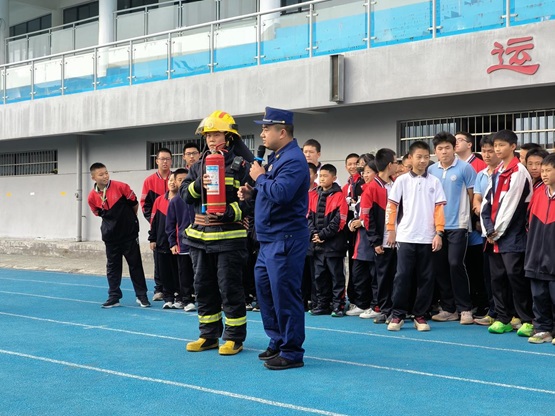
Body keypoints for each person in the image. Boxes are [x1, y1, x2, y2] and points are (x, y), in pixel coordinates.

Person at [239, 106, 310, 370]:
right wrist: (253, 192)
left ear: (282, 131)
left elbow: (281, 193)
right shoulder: (278, 157)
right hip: (269, 239)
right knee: (266, 292)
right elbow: (271, 191)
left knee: (285, 294)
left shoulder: (293, 159)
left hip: (286, 237)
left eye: (266, 128)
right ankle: (277, 340)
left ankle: (292, 351)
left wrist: (260, 178)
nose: (262, 133)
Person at [180, 110, 250, 356]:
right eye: (208, 135)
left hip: (229, 239)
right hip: (200, 238)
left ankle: (233, 338)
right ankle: (208, 335)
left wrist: (230, 213)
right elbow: (184, 195)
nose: (211, 139)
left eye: (217, 133)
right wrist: (199, 183)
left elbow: (252, 201)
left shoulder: (242, 166)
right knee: (203, 287)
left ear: (229, 137)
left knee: (229, 288)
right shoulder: (198, 165)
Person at [385, 141, 446, 332]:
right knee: (402, 276)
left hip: (427, 238)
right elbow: (392, 206)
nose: (422, 161)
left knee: (426, 278)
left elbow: (439, 209)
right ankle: (398, 315)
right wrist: (391, 230)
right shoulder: (401, 181)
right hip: (405, 236)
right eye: (419, 157)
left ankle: (420, 315)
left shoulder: (434, 182)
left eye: (426, 157)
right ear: (410, 158)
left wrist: (439, 233)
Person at [480, 129, 534, 337]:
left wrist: (496, 231)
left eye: (502, 145)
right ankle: (503, 318)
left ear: (513, 147)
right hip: (494, 235)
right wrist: (487, 230)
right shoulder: (497, 170)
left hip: (513, 235)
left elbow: (511, 206)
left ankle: (526, 319)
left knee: (515, 276)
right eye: (495, 146)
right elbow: (487, 201)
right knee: (497, 277)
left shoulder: (519, 172)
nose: (497, 149)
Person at [87, 163, 150, 309]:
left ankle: (142, 296)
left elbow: (134, 204)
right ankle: (114, 296)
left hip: (129, 234)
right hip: (110, 236)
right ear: (93, 177)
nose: (105, 176)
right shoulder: (92, 196)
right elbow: (98, 213)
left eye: (106, 173)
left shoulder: (121, 187)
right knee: (112, 266)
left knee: (135, 265)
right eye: (101, 174)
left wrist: (129, 221)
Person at [429, 132, 476, 325]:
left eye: (447, 147)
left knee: (456, 263)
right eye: (440, 148)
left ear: (454, 148)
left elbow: (473, 195)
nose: (444, 151)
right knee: (439, 266)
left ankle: (465, 308)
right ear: (435, 151)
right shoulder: (431, 170)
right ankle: (448, 308)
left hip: (458, 224)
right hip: (436, 227)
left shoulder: (466, 168)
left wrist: (466, 218)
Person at [360, 148, 398, 324]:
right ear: (389, 165)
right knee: (383, 276)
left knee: (399, 275)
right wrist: (375, 241)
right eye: (396, 161)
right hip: (382, 242)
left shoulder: (397, 183)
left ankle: (397, 309)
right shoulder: (371, 189)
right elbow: (367, 218)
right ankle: (385, 309)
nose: (398, 164)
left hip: (399, 239)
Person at [308, 164, 349, 317]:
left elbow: (340, 221)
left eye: (326, 175)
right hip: (317, 245)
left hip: (334, 245)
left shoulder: (339, 196)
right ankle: (322, 304)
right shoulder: (313, 195)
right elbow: (308, 218)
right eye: (321, 176)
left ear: (334, 177)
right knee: (319, 276)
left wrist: (323, 235)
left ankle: (338, 305)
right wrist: (314, 234)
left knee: (336, 276)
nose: (322, 178)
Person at [525, 153, 555, 344]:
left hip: (553, 258)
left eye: (548, 170)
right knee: (539, 295)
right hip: (536, 255)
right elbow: (529, 223)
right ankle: (543, 329)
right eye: (542, 171)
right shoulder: (537, 193)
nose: (543, 174)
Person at [472, 135, 501, 326]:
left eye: (491, 151)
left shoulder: (506, 174)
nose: (488, 155)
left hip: (500, 233)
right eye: (484, 151)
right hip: (485, 233)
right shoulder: (481, 175)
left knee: (503, 276)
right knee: (488, 274)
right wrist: (481, 215)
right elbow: (477, 200)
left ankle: (506, 313)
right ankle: (493, 311)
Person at [347, 160, 379, 317]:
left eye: (368, 172)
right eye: (364, 172)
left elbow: (375, 216)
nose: (365, 175)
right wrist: (352, 223)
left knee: (374, 276)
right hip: (360, 242)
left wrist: (361, 222)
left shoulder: (378, 190)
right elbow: (354, 214)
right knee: (358, 274)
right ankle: (362, 303)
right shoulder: (362, 191)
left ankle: (376, 305)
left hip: (373, 239)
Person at [141, 147, 172, 301]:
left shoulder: (177, 179)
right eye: (162, 159)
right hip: (158, 229)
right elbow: (144, 204)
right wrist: (155, 223)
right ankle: (159, 289)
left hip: (176, 227)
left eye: (167, 159)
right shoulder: (149, 181)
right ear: (157, 161)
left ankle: (175, 289)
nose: (165, 162)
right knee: (159, 259)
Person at [149, 170, 182, 309]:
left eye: (175, 180)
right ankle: (168, 297)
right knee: (165, 272)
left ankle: (180, 297)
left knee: (179, 271)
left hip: (178, 244)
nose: (172, 183)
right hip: (162, 243)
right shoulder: (159, 200)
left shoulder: (182, 200)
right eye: (170, 180)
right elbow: (154, 221)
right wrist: (152, 238)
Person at [166, 168, 196, 312]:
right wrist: (172, 243)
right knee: (184, 273)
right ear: (176, 182)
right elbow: (170, 225)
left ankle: (201, 298)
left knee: (201, 273)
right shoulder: (175, 201)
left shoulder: (199, 198)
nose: (184, 182)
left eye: (187, 179)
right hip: (183, 245)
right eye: (180, 180)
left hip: (200, 243)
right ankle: (187, 299)